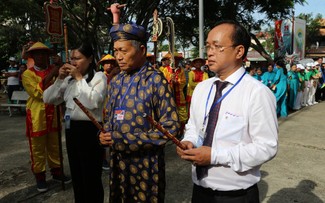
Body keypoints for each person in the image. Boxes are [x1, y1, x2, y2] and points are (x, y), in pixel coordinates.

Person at [176, 20, 278, 203]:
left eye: (218, 46)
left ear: (239, 51)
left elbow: (266, 147)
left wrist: (215, 156)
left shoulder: (257, 93)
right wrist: (188, 141)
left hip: (236, 195)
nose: (210, 52)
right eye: (208, 46)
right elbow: (193, 125)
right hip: (200, 190)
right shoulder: (202, 88)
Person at [99, 22, 180, 202]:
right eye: (116, 51)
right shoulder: (116, 81)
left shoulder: (156, 80)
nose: (118, 57)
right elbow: (109, 118)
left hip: (146, 164)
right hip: (118, 161)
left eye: (124, 51)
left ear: (142, 50)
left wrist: (125, 139)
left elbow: (171, 128)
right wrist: (103, 134)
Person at [43, 42, 106, 202]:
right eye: (72, 59)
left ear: (90, 59)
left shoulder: (99, 77)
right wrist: (60, 78)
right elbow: (48, 98)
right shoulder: (69, 80)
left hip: (91, 131)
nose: (73, 62)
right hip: (72, 129)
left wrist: (79, 78)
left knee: (90, 177)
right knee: (77, 175)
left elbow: (93, 102)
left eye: (78, 58)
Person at [21, 42, 71, 192]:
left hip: (54, 114)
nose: (41, 56)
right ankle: (40, 177)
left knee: (55, 145)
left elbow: (65, 85)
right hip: (37, 116)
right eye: (37, 54)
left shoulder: (55, 70)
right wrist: (54, 72)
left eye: (44, 54)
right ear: (32, 57)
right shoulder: (27, 74)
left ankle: (57, 172)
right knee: (37, 149)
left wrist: (60, 66)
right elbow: (37, 93)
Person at [97, 53, 120, 171]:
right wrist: (111, 75)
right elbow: (104, 88)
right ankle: (103, 159)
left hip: (115, 109)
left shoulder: (119, 75)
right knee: (103, 134)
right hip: (102, 111)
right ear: (102, 65)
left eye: (112, 63)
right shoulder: (100, 76)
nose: (109, 65)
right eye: (106, 63)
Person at [160, 52, 188, 137]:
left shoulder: (181, 70)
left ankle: (181, 132)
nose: (175, 61)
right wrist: (169, 80)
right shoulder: (165, 70)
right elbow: (162, 82)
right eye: (173, 60)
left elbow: (183, 82)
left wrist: (177, 82)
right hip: (169, 95)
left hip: (179, 94)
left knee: (182, 113)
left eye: (177, 60)